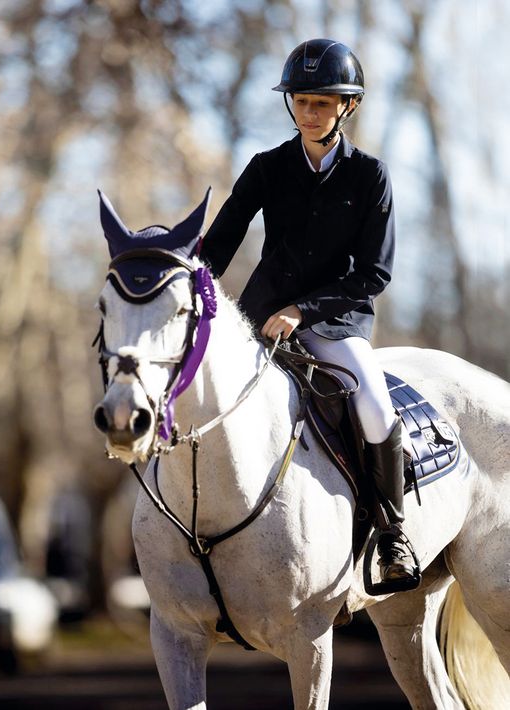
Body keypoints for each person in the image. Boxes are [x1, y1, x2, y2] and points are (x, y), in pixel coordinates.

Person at [199, 38, 416, 583]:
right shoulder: (267, 167)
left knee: (372, 403)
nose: (309, 112)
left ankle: (392, 534)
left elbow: (375, 273)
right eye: (301, 100)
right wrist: (184, 282)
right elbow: (221, 242)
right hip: (261, 316)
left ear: (348, 106)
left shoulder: (371, 176)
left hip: (336, 320)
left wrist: (304, 309)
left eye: (322, 102)